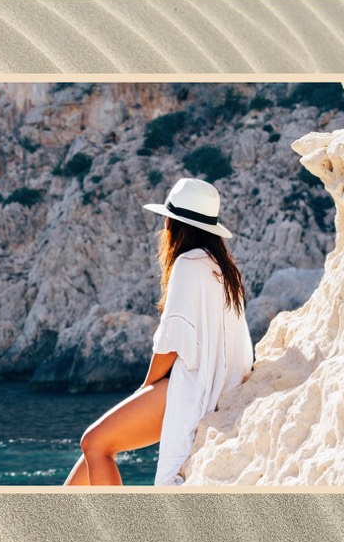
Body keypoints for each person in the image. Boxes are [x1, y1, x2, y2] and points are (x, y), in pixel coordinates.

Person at [62, 177, 255, 487]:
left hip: (191, 387)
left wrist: (145, 386)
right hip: (219, 387)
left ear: (175, 225)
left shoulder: (187, 264)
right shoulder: (224, 269)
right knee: (95, 448)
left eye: (168, 218)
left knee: (94, 443)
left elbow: (172, 341)